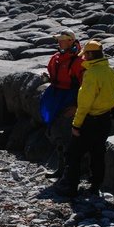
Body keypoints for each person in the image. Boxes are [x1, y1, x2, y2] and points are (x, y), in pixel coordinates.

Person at [54, 39, 114, 198]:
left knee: (73, 153)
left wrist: (76, 125)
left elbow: (84, 104)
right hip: (105, 119)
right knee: (98, 153)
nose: (83, 58)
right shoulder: (110, 71)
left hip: (90, 120)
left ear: (90, 54)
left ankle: (70, 187)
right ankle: (95, 186)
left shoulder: (91, 75)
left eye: (85, 55)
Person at [40, 29, 85, 178]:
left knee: (66, 134)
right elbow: (54, 76)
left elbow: (84, 87)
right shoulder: (56, 58)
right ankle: (62, 168)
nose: (59, 42)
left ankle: (69, 171)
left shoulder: (79, 61)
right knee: (54, 131)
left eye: (62, 39)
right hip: (56, 97)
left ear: (71, 41)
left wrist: (77, 106)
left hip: (70, 98)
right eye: (59, 40)